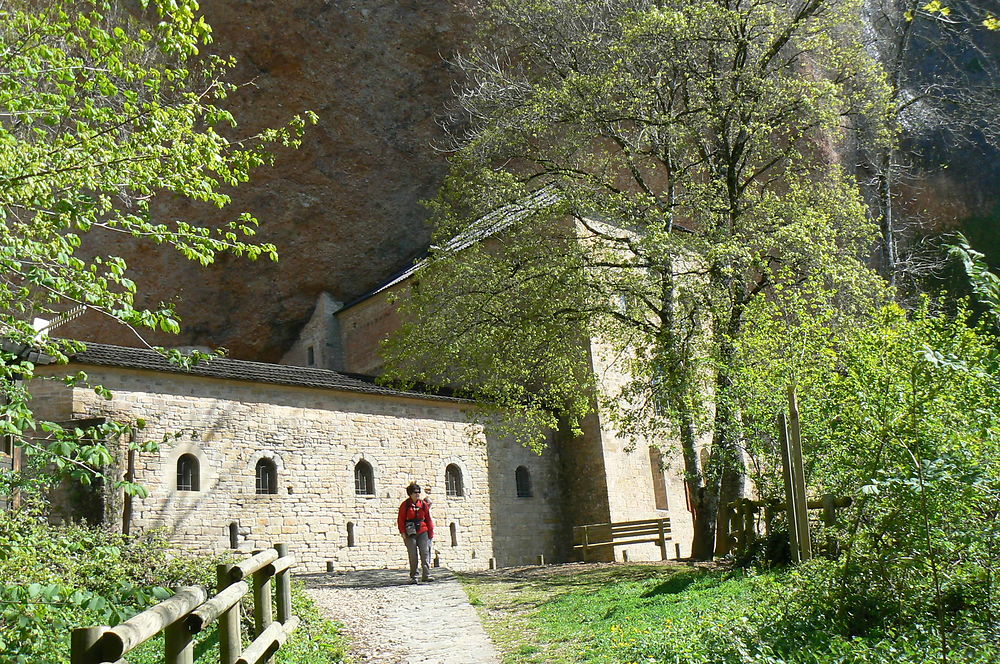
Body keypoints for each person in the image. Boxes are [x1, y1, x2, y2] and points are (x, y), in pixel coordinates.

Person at [397, 482, 434, 584]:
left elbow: (428, 519)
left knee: (425, 553)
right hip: (410, 532)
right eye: (415, 492)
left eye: (418, 492)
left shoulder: (423, 504)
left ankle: (426, 574)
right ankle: (414, 576)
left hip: (423, 531)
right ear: (410, 493)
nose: (417, 494)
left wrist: (430, 532)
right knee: (413, 555)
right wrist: (403, 532)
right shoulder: (405, 505)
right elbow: (401, 519)